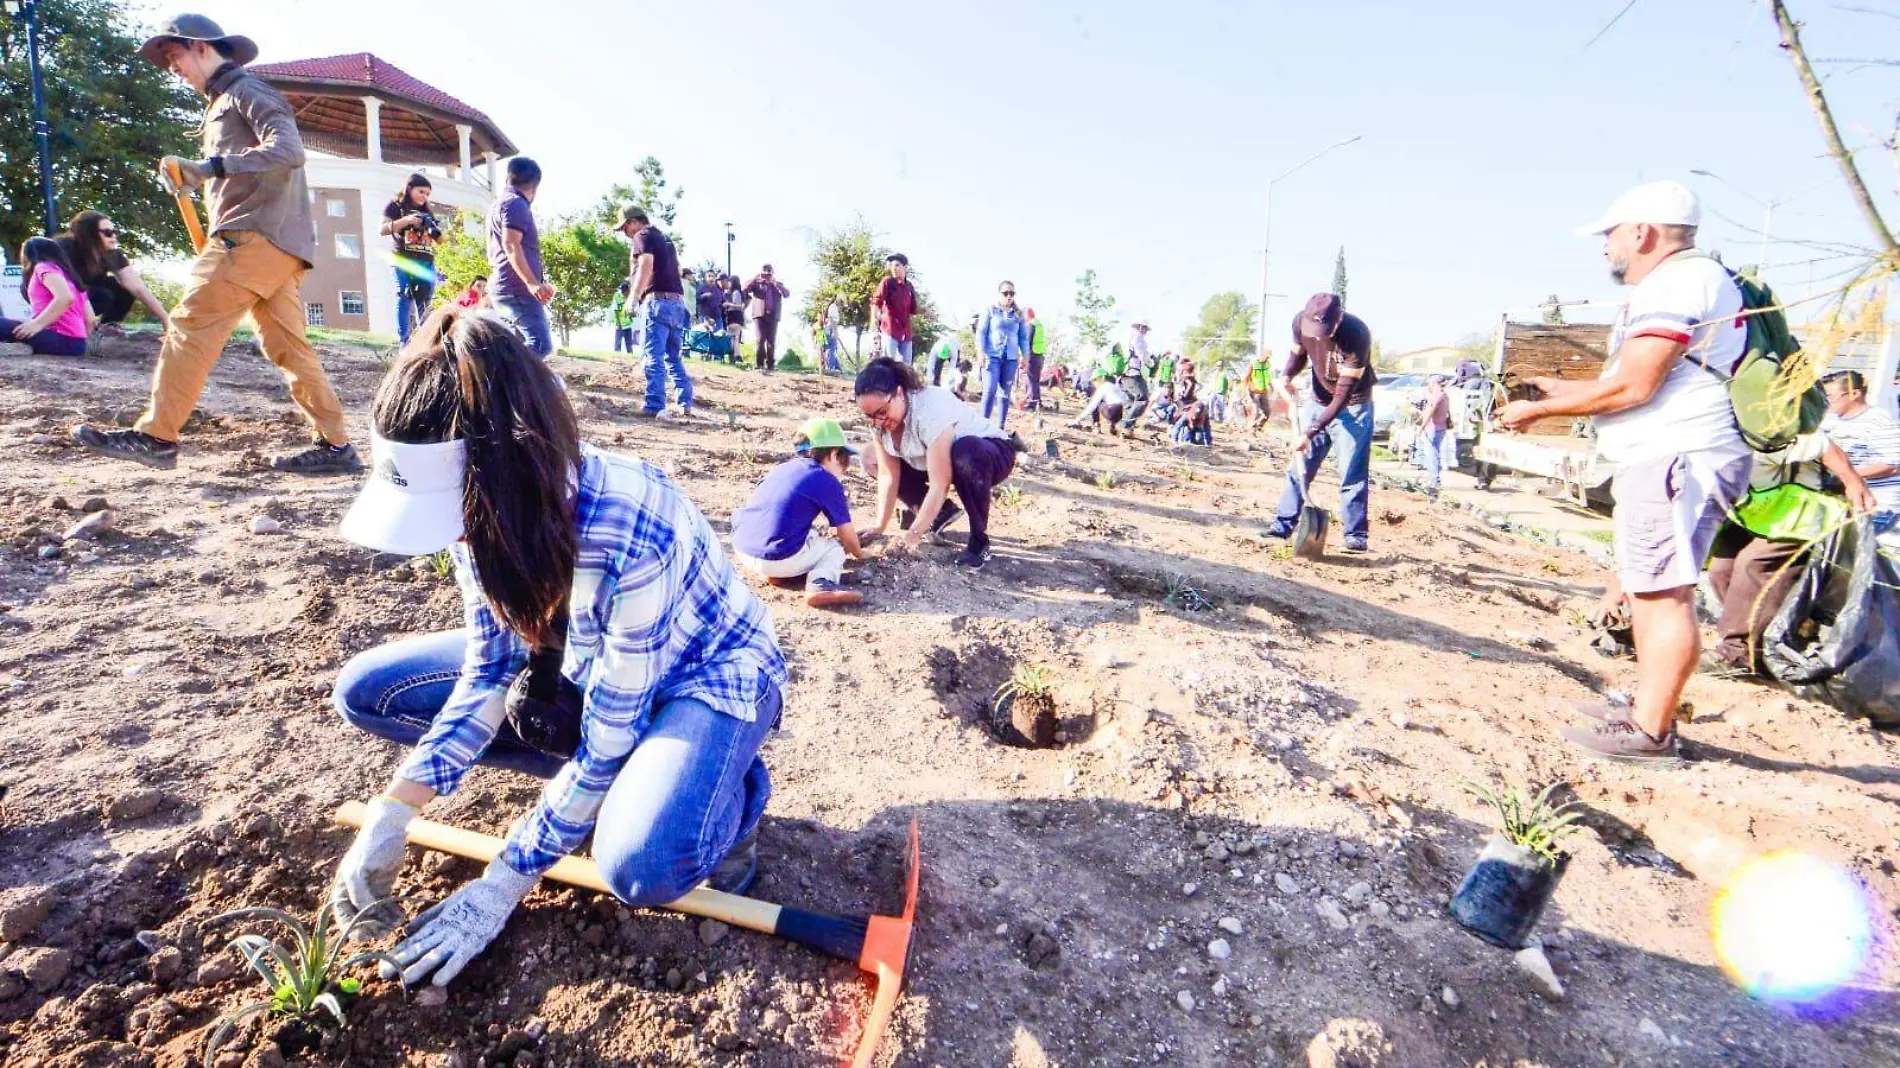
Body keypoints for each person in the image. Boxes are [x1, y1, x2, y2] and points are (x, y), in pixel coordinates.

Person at [329, 308, 787, 987]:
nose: (456, 540)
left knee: (641, 862)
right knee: (370, 691)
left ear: (505, 475)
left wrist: (503, 881)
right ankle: (625, 787)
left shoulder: (631, 525)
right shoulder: (480, 517)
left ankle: (729, 789)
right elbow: (488, 672)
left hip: (703, 677)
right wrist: (395, 809)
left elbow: (607, 735)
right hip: (593, 671)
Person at [1498, 180, 1753, 762]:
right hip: (1675, 454)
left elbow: (1638, 384)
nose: (1606, 248)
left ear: (1642, 231)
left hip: (1678, 456)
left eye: (1610, 235)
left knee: (1663, 595)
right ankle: (1644, 711)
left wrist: (1541, 409)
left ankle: (1650, 733)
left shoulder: (1680, 281)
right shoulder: (1690, 280)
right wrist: (1567, 390)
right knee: (1649, 588)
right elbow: (1640, 376)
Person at [71, 14, 358, 475]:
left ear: (201, 47)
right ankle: (336, 446)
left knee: (188, 325)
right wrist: (192, 178)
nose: (171, 68)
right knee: (288, 348)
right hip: (275, 244)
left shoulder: (248, 91)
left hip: (252, 238)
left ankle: (157, 436)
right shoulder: (222, 101)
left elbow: (289, 151)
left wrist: (209, 167)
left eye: (174, 56)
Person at [1705, 429, 1874, 678]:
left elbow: (1823, 445)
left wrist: (1853, 482)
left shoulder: (1767, 423)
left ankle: (1738, 652)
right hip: (1757, 508)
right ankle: (1757, 639)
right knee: (1720, 570)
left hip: (1801, 508)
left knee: (1753, 564)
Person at [855, 357, 1015, 569]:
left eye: (882, 412)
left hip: (988, 454)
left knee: (965, 453)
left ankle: (978, 540)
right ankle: (940, 512)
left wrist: (913, 535)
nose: (877, 422)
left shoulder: (929, 409)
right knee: (869, 457)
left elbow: (941, 483)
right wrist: (879, 526)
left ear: (900, 393)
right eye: (869, 416)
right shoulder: (878, 425)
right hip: (939, 458)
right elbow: (888, 475)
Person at [1263, 294, 1377, 553]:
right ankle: (1282, 526)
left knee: (1352, 472)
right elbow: (1298, 354)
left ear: (1338, 320)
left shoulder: (1356, 335)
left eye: (1325, 332)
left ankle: (1355, 535)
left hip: (1353, 407)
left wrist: (1311, 431)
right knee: (1299, 467)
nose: (1319, 337)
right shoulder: (1300, 324)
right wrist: (1286, 375)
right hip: (1317, 400)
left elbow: (1342, 397)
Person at [731, 418, 867, 608]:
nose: (845, 467)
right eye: (845, 459)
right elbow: (846, 533)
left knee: (807, 533)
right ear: (834, 454)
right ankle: (820, 585)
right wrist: (860, 554)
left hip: (743, 548)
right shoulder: (825, 479)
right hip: (776, 557)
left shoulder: (781, 469)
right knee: (833, 548)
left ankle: (777, 574)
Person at [618, 205, 692, 416]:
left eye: (625, 228)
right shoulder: (665, 239)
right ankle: (685, 403)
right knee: (673, 357)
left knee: (653, 356)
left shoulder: (642, 236)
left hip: (657, 301)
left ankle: (654, 405)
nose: (626, 233)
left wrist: (633, 297)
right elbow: (678, 270)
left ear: (634, 222)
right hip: (677, 303)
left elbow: (645, 265)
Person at [57, 211, 172, 331]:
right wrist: (90, 319)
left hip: (87, 292)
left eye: (114, 232)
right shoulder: (64, 249)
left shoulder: (112, 254)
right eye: (107, 233)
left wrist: (165, 317)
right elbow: (65, 288)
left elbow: (138, 287)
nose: (113, 237)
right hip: (60, 296)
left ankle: (108, 328)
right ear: (89, 234)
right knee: (103, 296)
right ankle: (71, 327)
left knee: (123, 289)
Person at [487, 157, 555, 358]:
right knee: (540, 344)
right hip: (517, 290)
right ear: (535, 187)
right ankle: (503, 381)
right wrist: (532, 283)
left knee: (516, 348)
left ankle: (504, 386)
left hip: (506, 287)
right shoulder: (516, 204)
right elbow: (510, 244)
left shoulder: (498, 204)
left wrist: (538, 281)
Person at [1820, 371, 1900, 534]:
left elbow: (1893, 465)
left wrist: (1845, 474)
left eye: (1830, 396)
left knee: (1852, 549)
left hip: (1877, 503)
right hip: (1843, 499)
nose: (1826, 402)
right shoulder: (1830, 419)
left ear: (1854, 394)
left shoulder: (1878, 421)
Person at [1, 237, 92, 357]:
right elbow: (90, 319)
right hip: (77, 344)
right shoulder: (73, 279)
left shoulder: (43, 267)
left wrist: (37, 324)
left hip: (60, 339)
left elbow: (65, 297)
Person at [382, 172, 440, 345]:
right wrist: (406, 221)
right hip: (401, 258)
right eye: (421, 192)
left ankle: (427, 341)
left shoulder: (427, 211)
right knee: (404, 294)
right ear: (409, 188)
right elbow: (383, 229)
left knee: (425, 299)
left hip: (424, 260)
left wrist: (432, 228)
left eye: (427, 194)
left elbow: (439, 238)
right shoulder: (395, 206)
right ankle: (404, 341)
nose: (424, 197)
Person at [976, 280, 1030, 430]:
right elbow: (981, 332)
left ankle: (1000, 428)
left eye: (1011, 293)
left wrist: (1026, 356)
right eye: (1005, 293)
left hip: (1011, 359)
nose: (1008, 296)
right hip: (991, 356)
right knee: (990, 389)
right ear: (999, 294)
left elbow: (1023, 338)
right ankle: (982, 425)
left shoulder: (1018, 315)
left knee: (1005, 394)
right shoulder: (990, 310)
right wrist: (980, 352)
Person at [741, 265, 790, 372]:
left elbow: (787, 294)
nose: (767, 274)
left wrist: (776, 283)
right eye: (765, 272)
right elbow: (744, 290)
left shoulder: (777, 284)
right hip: (759, 314)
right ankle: (760, 364)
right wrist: (755, 278)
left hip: (773, 315)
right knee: (760, 339)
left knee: (771, 341)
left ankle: (771, 365)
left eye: (769, 272)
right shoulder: (756, 283)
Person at [871, 253, 917, 363]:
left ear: (905, 267)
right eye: (892, 266)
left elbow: (913, 309)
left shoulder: (909, 287)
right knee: (888, 365)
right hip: (890, 330)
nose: (894, 268)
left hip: (905, 333)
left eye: (897, 265)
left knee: (906, 367)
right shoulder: (887, 282)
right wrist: (875, 328)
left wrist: (926, 311)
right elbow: (876, 303)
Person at [1418, 374, 1453, 498]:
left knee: (1431, 455)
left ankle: (1434, 482)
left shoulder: (1437, 396)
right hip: (1440, 428)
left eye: (1430, 383)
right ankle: (1434, 479)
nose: (1429, 385)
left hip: (1432, 429)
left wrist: (1421, 427)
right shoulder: (1445, 396)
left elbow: (1430, 413)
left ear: (1435, 384)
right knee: (1435, 454)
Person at [1024, 307, 1050, 410]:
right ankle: (1038, 401)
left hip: (1032, 355)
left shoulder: (1031, 324)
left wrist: (1024, 356)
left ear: (1027, 315)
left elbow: (1028, 341)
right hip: (1039, 355)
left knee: (1031, 380)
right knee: (1035, 380)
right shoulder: (1039, 324)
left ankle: (1032, 403)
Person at [1246, 349, 1276, 431]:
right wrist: (1246, 390)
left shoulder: (1267, 365)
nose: (1267, 359)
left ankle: (1259, 427)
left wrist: (1271, 386)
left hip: (1263, 391)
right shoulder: (1253, 364)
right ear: (1262, 355)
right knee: (1256, 411)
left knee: (1267, 413)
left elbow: (1267, 376)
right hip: (1254, 391)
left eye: (1268, 357)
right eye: (1266, 357)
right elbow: (1247, 377)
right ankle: (1251, 429)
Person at [610, 280, 636, 353]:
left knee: (629, 344)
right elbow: (616, 310)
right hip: (620, 324)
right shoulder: (617, 296)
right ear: (624, 291)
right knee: (618, 344)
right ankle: (617, 358)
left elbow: (631, 310)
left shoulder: (630, 296)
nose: (628, 293)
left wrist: (632, 314)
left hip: (628, 324)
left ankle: (630, 356)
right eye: (627, 292)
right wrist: (619, 323)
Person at [823, 297, 843, 371]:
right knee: (832, 349)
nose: (842, 308)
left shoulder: (833, 308)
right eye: (842, 305)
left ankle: (837, 367)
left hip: (831, 330)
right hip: (831, 330)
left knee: (833, 349)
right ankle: (830, 367)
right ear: (839, 303)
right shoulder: (833, 308)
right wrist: (834, 332)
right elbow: (832, 320)